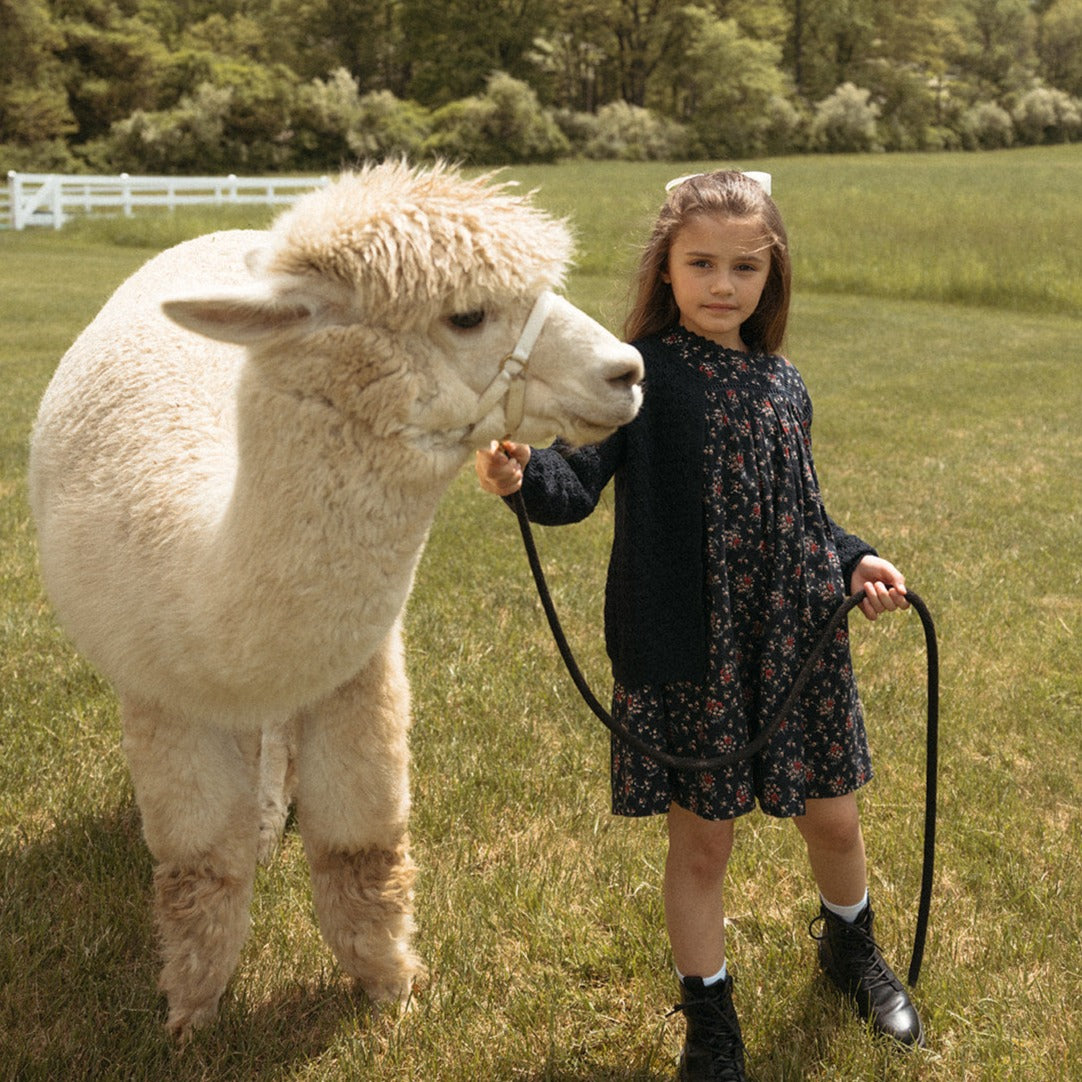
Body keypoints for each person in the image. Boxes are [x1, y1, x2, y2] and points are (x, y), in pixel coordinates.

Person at [475, 170, 923, 1080]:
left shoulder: (782, 383)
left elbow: (802, 515)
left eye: (745, 267)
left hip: (796, 645)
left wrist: (855, 560)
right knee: (702, 843)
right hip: (696, 652)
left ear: (773, 275)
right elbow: (575, 484)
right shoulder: (639, 375)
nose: (724, 284)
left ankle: (848, 948)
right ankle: (711, 1024)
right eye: (702, 263)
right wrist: (524, 479)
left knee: (835, 820)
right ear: (667, 269)